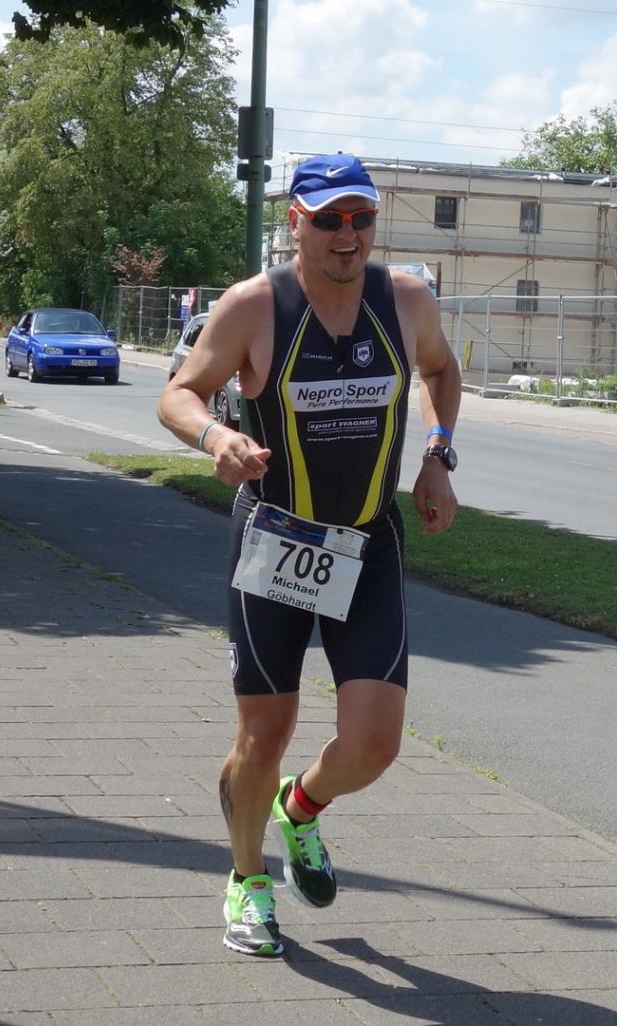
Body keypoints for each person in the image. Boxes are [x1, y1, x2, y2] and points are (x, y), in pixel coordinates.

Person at [157, 153, 462, 958]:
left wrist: (437, 456)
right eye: (329, 220)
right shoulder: (254, 305)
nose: (347, 235)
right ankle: (247, 880)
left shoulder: (405, 299)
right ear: (294, 222)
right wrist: (214, 436)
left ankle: (301, 807)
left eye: (361, 218)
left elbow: (440, 369)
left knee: (373, 745)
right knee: (264, 735)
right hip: (277, 540)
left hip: (368, 540)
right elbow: (177, 393)